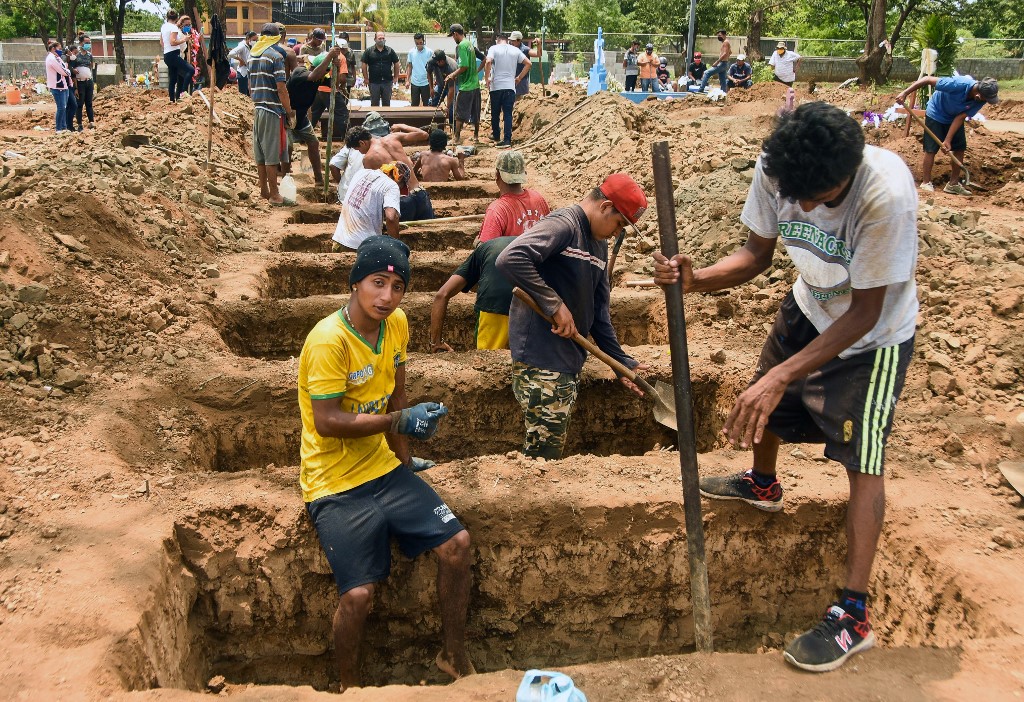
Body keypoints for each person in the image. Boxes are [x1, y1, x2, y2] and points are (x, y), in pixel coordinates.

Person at [653, 102, 919, 673]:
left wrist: (783, 373)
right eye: (795, 194)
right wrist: (695, 280)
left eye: (818, 198)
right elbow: (755, 254)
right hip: (809, 304)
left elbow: (867, 312)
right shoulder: (778, 168)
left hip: (872, 338)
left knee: (863, 460)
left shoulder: (885, 195)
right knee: (763, 407)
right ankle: (763, 481)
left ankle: (853, 613)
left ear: (847, 174)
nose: (801, 207)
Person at [298, 235, 472, 691]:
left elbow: (396, 387)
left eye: (397, 288)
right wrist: (401, 419)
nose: (386, 297)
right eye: (377, 283)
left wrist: (405, 454)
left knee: (457, 545)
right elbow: (328, 420)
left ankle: (454, 657)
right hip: (332, 481)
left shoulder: (395, 325)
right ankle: (349, 686)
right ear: (355, 282)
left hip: (383, 468)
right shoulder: (328, 341)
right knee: (357, 594)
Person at [496, 173, 648, 460]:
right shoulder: (563, 225)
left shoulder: (598, 244)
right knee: (544, 456)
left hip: (567, 362)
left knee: (550, 448)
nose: (617, 233)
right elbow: (510, 258)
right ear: (605, 207)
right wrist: (554, 304)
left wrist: (621, 362)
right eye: (619, 224)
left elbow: (599, 313)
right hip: (542, 361)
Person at [896, 75, 999, 196]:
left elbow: (960, 117)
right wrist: (905, 93)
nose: (986, 102)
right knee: (931, 149)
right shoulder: (958, 84)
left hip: (954, 118)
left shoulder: (980, 100)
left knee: (959, 148)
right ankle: (926, 182)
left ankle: (953, 184)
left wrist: (948, 140)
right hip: (936, 113)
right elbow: (927, 79)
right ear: (978, 94)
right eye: (986, 99)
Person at [431, 235, 517, 352]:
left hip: (494, 302)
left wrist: (436, 343)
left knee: (489, 359)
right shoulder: (535, 244)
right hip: (531, 304)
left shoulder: (485, 248)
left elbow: (442, 294)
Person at [248, 23, 295, 205]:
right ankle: (275, 195)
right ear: (278, 38)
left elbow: (252, 86)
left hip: (258, 108)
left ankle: (264, 191)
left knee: (260, 153)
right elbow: (281, 88)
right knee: (271, 154)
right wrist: (289, 111)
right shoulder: (275, 57)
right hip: (271, 110)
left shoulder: (254, 55)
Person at [287, 47, 344, 187]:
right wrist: (330, 55)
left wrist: (335, 70)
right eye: (326, 71)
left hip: (301, 117)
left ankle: (318, 178)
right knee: (287, 147)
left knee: (313, 143)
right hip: (287, 114)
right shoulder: (300, 72)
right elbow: (313, 76)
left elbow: (333, 86)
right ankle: (284, 176)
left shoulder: (321, 77)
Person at [360, 114, 434, 221]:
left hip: (401, 200)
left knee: (404, 237)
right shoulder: (394, 137)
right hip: (419, 193)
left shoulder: (368, 157)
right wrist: (402, 125)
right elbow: (424, 134)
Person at [478, 150, 549, 243]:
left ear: (497, 175)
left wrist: (478, 244)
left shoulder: (497, 210)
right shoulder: (538, 198)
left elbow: (488, 251)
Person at [331, 159, 402, 251]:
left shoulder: (361, 173)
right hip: (361, 249)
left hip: (339, 242)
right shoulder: (392, 185)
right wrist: (396, 248)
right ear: (400, 178)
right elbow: (391, 217)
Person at [485, 32, 531, 146]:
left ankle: (496, 135)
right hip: (510, 87)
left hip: (496, 87)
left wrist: (487, 78)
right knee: (508, 114)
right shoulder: (515, 50)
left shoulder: (493, 48)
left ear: (497, 40)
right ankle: (507, 140)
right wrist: (519, 78)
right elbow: (528, 63)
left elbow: (488, 61)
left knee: (495, 113)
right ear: (507, 40)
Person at [446, 24, 481, 145]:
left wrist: (452, 75)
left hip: (466, 86)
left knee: (459, 113)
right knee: (475, 112)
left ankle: (456, 138)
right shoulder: (469, 44)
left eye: (452, 36)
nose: (453, 38)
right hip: (475, 84)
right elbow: (483, 59)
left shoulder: (461, 46)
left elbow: (464, 66)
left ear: (455, 34)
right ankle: (476, 137)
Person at [329, 126, 368, 204]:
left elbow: (333, 164)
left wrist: (343, 184)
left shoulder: (353, 143)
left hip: (346, 195)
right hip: (366, 200)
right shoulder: (383, 145)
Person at [362, 31, 400, 107]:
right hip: (374, 82)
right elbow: (364, 64)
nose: (381, 40)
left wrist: (396, 77)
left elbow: (396, 63)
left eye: (383, 38)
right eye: (379, 38)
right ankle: (375, 119)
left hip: (387, 82)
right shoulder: (369, 51)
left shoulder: (390, 51)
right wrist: (366, 78)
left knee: (386, 104)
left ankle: (385, 119)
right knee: (374, 103)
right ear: (375, 39)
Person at [160, 10, 190, 102]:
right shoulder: (173, 27)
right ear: (177, 18)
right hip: (173, 54)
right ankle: (183, 94)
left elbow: (161, 42)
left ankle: (172, 100)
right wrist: (184, 39)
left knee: (173, 78)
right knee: (190, 70)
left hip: (167, 55)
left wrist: (167, 48)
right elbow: (173, 42)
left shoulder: (163, 27)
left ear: (167, 17)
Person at [44, 41, 73, 133]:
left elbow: (65, 67)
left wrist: (67, 70)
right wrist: (68, 71)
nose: (61, 51)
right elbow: (64, 71)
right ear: (53, 49)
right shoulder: (51, 59)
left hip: (63, 86)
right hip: (57, 86)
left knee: (64, 107)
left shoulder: (57, 58)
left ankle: (64, 127)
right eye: (59, 49)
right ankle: (59, 128)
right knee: (61, 107)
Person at [427, 49, 458, 125]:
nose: (436, 63)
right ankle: (432, 125)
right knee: (432, 103)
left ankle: (452, 128)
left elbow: (451, 89)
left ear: (442, 61)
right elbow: (429, 72)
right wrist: (431, 88)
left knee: (452, 109)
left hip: (452, 86)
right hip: (440, 84)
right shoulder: (432, 61)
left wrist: (447, 107)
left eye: (437, 62)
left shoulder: (451, 66)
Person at [71, 37, 96, 129]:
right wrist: (75, 87)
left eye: (89, 42)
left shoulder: (89, 55)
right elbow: (72, 70)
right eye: (86, 42)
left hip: (88, 82)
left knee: (89, 103)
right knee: (80, 104)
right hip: (80, 83)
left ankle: (91, 122)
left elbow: (91, 67)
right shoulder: (76, 56)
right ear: (81, 43)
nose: (88, 44)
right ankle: (79, 124)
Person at [509, 31, 540, 98]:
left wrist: (539, 45)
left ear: (519, 40)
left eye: (513, 41)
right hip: (510, 79)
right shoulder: (510, 49)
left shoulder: (525, 49)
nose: (512, 42)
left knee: (520, 100)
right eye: (511, 40)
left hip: (521, 81)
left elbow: (538, 54)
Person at [406, 33, 433, 107]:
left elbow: (433, 68)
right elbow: (409, 66)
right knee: (414, 104)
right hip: (415, 82)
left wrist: (432, 83)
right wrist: (407, 80)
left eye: (420, 43)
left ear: (423, 41)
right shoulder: (411, 52)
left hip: (426, 82)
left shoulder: (429, 52)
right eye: (417, 43)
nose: (419, 45)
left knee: (427, 104)